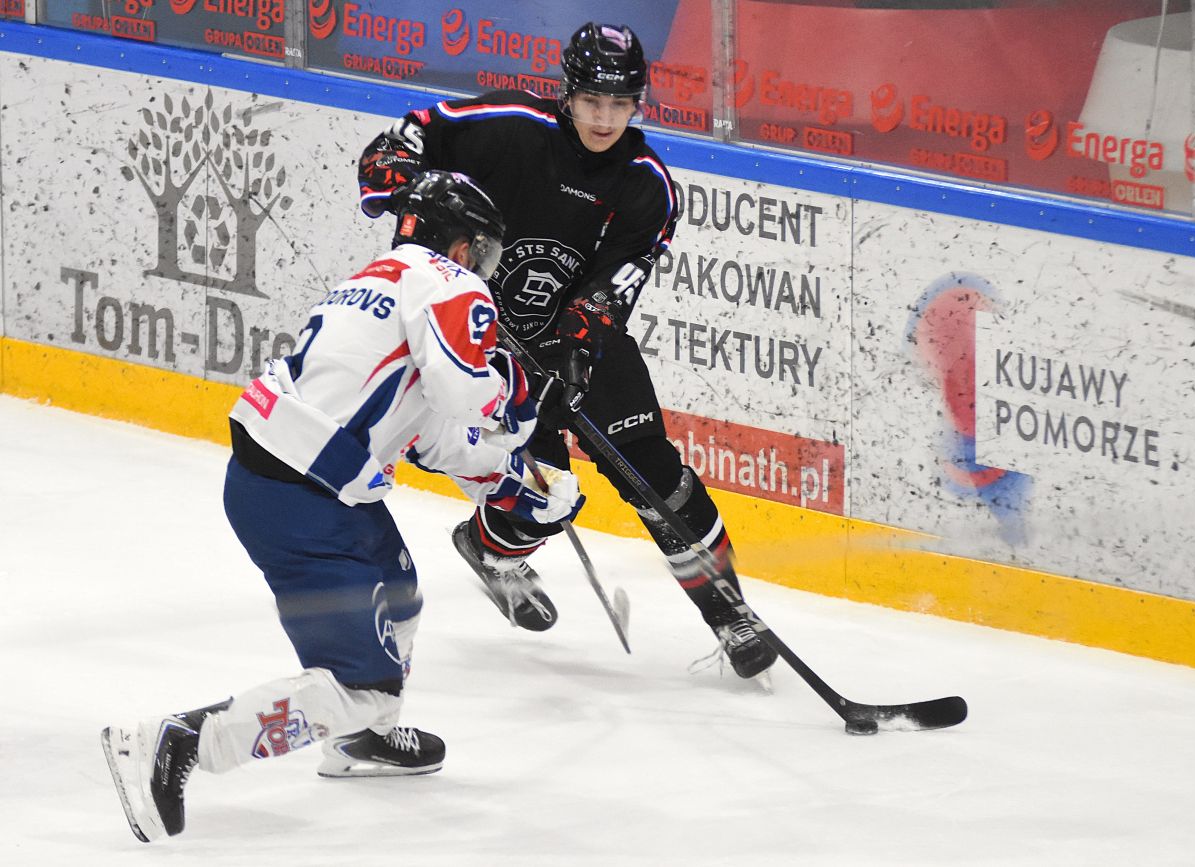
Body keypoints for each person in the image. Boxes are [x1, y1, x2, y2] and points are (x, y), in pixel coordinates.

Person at [101, 170, 585, 843]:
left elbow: (438, 435)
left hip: (301, 480)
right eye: (485, 253)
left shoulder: (381, 282)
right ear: (465, 246)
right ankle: (177, 742)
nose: (483, 269)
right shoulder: (449, 283)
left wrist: (518, 488)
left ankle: (364, 741)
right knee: (362, 686)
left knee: (400, 596)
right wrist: (526, 394)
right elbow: (466, 395)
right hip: (304, 497)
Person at [357, 22, 778, 680]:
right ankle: (491, 549)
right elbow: (410, 135)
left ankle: (730, 612)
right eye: (592, 101)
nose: (605, 118)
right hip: (480, 337)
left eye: (620, 104)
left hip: (575, 343)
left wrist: (575, 346)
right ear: (568, 94)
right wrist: (397, 173)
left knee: (656, 474)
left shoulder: (647, 186)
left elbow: (616, 286)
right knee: (546, 493)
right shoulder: (509, 127)